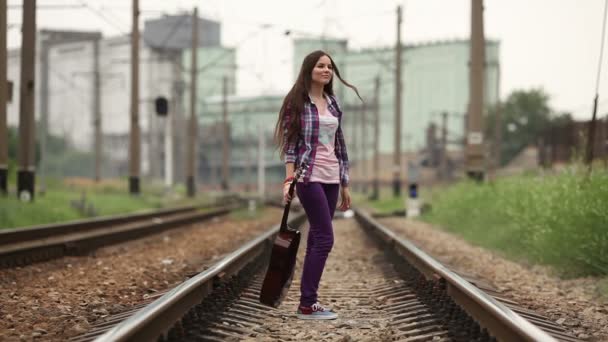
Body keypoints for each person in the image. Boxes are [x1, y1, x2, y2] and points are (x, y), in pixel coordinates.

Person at [274, 50, 362, 320]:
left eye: (330, 67)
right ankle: (307, 303)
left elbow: (339, 145)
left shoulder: (333, 103)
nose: (327, 70)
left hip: (331, 176)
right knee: (325, 238)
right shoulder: (296, 103)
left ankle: (307, 302)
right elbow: (291, 145)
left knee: (316, 238)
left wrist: (345, 183)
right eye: (321, 66)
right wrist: (289, 179)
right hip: (308, 176)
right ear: (309, 69)